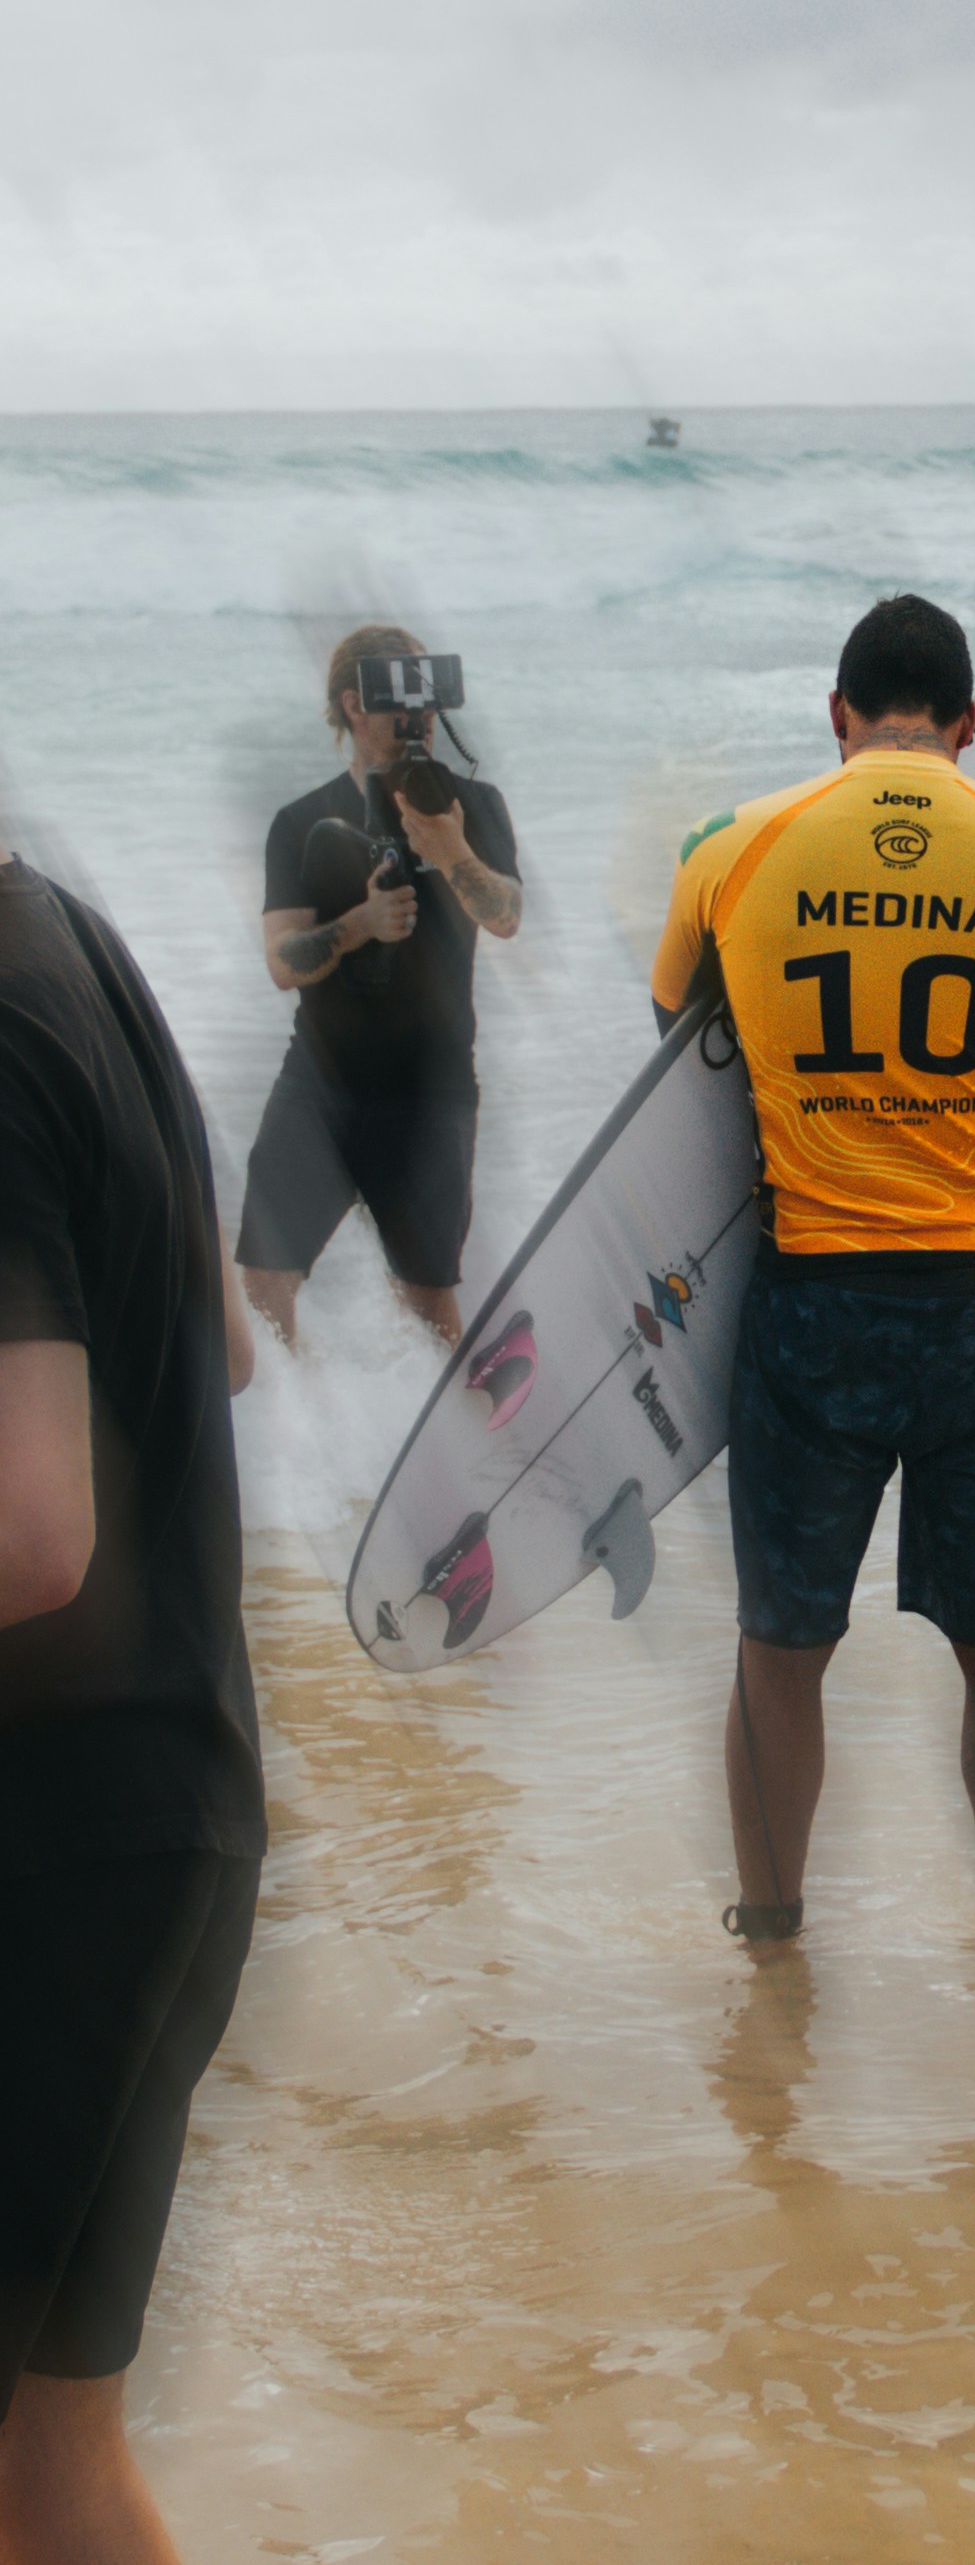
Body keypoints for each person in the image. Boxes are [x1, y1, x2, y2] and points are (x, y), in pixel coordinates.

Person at [650, 594, 975, 1944]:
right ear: (972, 727)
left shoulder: (730, 851)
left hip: (812, 1305)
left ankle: (774, 1930)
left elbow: (691, 1065)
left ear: (836, 716)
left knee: (779, 1651)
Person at [0, 845, 261, 2564]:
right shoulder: (61, 938)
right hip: (165, 1824)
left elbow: (31, 1533)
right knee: (52, 2467)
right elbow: (225, 1337)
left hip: (48, 1869)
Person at [236, 622, 522, 1349]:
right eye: (397, 693)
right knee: (265, 1285)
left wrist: (449, 847)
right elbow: (280, 961)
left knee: (426, 1304)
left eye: (426, 691)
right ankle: (315, 1455)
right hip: (321, 1084)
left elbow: (507, 915)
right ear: (352, 704)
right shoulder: (301, 822)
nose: (416, 710)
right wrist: (357, 925)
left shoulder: (475, 806)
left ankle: (456, 1450)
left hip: (431, 1089)